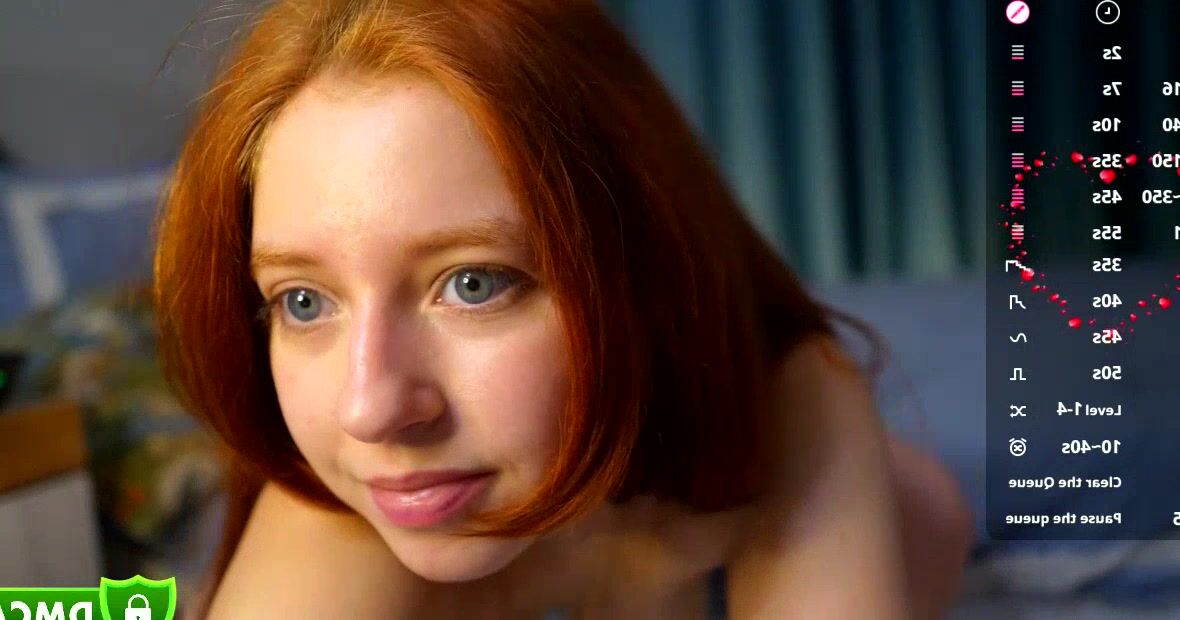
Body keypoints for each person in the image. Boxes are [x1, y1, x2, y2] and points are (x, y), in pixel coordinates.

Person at [152, 0, 972, 617]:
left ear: (644, 263)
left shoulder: (791, 400)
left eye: (474, 284)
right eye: (303, 302)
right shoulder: (351, 493)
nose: (369, 409)